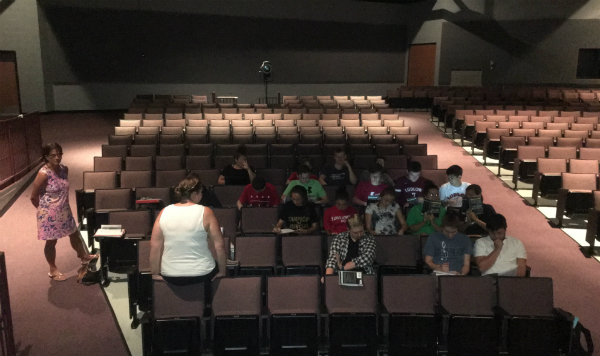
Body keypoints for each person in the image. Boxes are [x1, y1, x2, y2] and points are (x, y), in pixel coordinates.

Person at [30, 143, 99, 281]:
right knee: (51, 242)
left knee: (74, 233)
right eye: (53, 155)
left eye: (59, 154)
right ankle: (53, 269)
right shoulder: (43, 174)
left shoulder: (63, 169)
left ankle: (84, 256)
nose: (57, 158)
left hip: (64, 209)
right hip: (49, 213)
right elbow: (33, 196)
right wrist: (44, 210)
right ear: (46, 157)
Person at [149, 174, 227, 286]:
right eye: (200, 193)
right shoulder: (206, 212)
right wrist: (222, 271)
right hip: (202, 274)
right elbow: (219, 245)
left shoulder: (164, 212)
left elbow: (155, 246)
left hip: (170, 275)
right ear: (195, 194)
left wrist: (155, 273)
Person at [423, 210, 472, 275]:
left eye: (453, 232)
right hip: (438, 272)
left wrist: (461, 274)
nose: (450, 235)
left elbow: (466, 264)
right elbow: (428, 261)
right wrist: (438, 267)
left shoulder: (465, 240)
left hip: (457, 273)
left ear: (457, 229)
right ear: (442, 227)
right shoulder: (433, 237)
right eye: (447, 232)